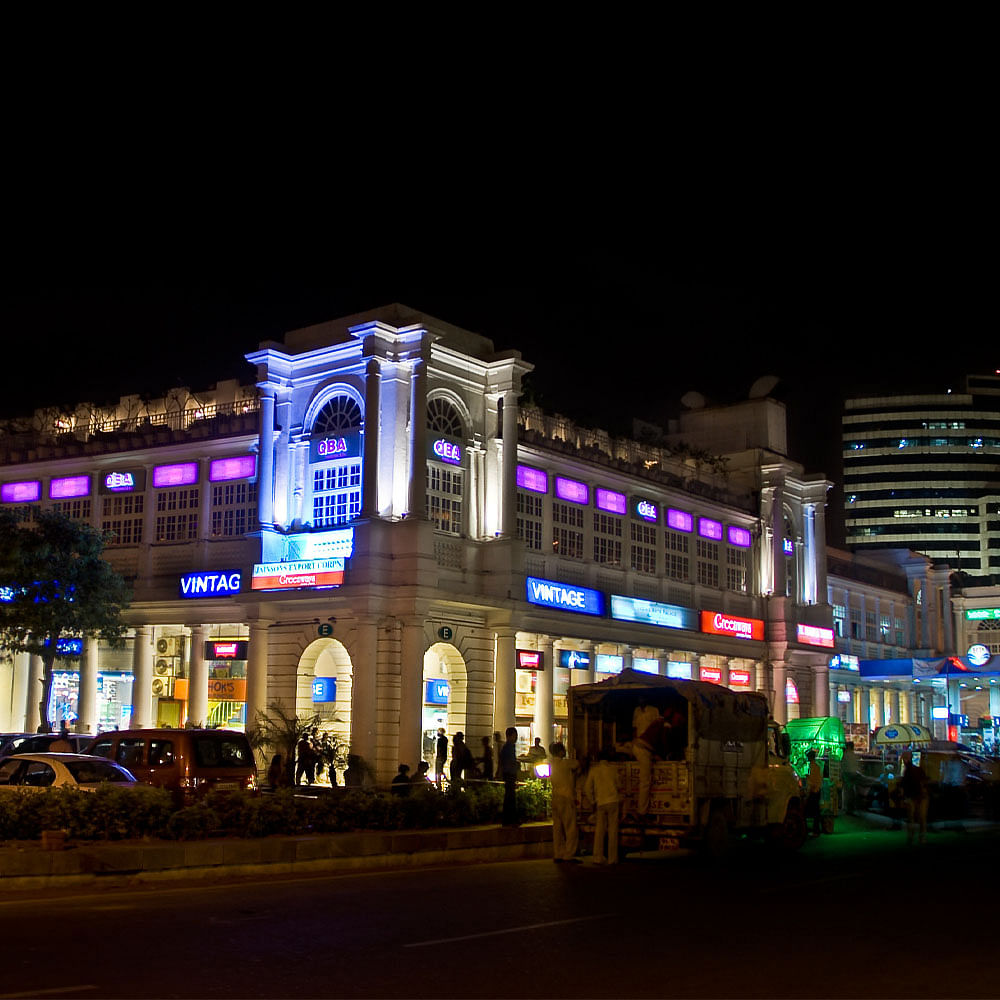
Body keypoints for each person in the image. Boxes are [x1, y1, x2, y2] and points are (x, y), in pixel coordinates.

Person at [585, 747, 621, 865]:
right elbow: (619, 785)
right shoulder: (613, 769)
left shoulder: (594, 770)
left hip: (600, 803)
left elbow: (587, 788)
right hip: (613, 802)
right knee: (613, 831)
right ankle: (612, 859)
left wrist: (592, 801)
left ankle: (597, 857)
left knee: (599, 831)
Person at [631, 696, 663, 816]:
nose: (641, 701)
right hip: (642, 747)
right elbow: (634, 728)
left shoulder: (653, 711)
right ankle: (642, 811)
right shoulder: (637, 711)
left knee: (644, 780)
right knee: (645, 781)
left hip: (646, 748)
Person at [548, 742, 580, 862]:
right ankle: (569, 854)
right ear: (560, 752)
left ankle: (558, 853)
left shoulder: (551, 764)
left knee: (557, 828)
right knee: (570, 827)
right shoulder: (566, 763)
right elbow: (577, 764)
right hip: (566, 797)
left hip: (555, 797)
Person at [900, 750, 929, 845]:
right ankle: (920, 837)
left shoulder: (908, 771)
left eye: (905, 758)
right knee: (920, 818)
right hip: (918, 796)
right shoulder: (915, 770)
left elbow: (905, 785)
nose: (904, 760)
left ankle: (913, 838)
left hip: (917, 796)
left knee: (914, 818)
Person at [500, 727, 520, 826]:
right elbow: (509, 762)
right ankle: (510, 820)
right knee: (510, 797)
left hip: (508, 773)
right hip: (509, 774)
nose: (516, 738)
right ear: (510, 736)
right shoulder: (508, 747)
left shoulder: (508, 747)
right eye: (515, 736)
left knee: (509, 797)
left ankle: (508, 820)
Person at [805, 749, 823, 836]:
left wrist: (808, 778)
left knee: (814, 811)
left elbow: (813, 781)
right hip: (816, 790)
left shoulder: (813, 767)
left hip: (814, 791)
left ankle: (815, 830)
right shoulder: (816, 766)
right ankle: (816, 830)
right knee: (815, 811)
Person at [841, 741, 860, 815]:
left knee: (847, 792)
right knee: (851, 791)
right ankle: (850, 808)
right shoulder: (853, 755)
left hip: (848, 775)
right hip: (853, 774)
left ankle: (848, 808)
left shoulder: (846, 755)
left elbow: (843, 766)